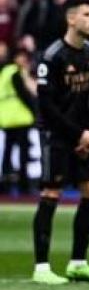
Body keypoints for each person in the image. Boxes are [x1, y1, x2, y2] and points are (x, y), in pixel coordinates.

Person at [32, 0, 89, 284]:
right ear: (71, 19)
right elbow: (47, 106)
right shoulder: (52, 57)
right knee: (51, 193)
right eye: (88, 15)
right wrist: (79, 135)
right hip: (56, 136)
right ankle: (41, 267)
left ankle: (78, 262)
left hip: (81, 138)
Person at [0, 48, 35, 195]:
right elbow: (25, 94)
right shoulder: (16, 72)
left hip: (7, 118)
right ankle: (24, 186)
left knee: (7, 154)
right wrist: (34, 111)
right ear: (16, 58)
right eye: (22, 57)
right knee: (23, 153)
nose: (24, 60)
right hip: (20, 117)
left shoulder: (4, 72)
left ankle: (5, 185)